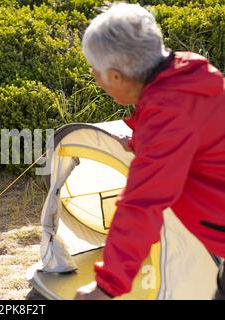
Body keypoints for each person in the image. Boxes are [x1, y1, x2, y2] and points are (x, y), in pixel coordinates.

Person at [75, 3, 225, 300]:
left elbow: (142, 204)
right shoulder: (189, 70)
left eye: (94, 71)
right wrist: (139, 142)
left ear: (116, 76)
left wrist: (107, 285)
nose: (94, 77)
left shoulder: (168, 113)